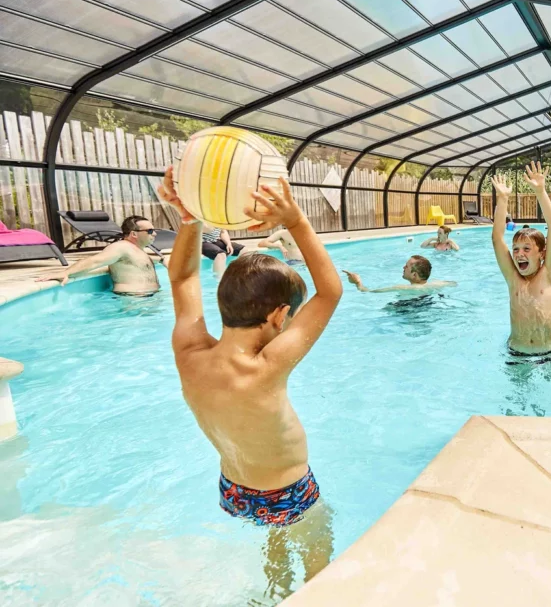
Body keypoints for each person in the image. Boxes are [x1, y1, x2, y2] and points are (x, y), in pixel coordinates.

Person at [156, 168, 342, 600]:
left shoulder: (190, 353)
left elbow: (183, 278)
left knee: (274, 547)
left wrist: (190, 218)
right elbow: (330, 292)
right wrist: (295, 221)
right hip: (289, 492)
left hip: (235, 489)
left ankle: (274, 593)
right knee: (322, 578)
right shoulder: (266, 367)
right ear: (280, 316)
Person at [491, 161, 551, 355]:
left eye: (527, 249)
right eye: (515, 249)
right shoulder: (513, 279)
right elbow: (497, 239)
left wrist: (540, 192)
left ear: (542, 253)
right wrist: (503, 199)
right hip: (516, 352)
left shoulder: (549, 275)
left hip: (549, 353)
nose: (519, 254)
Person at [36, 215, 164, 295]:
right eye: (150, 231)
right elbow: (95, 260)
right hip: (133, 301)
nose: (154, 234)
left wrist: (162, 260)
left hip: (146, 299)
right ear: (134, 234)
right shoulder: (120, 247)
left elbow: (134, 263)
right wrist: (66, 272)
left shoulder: (137, 250)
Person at [343, 255, 455, 294]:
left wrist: (357, 282)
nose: (403, 267)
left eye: (407, 267)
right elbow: (453, 284)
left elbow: (368, 292)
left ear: (414, 275)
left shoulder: (401, 288)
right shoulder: (437, 284)